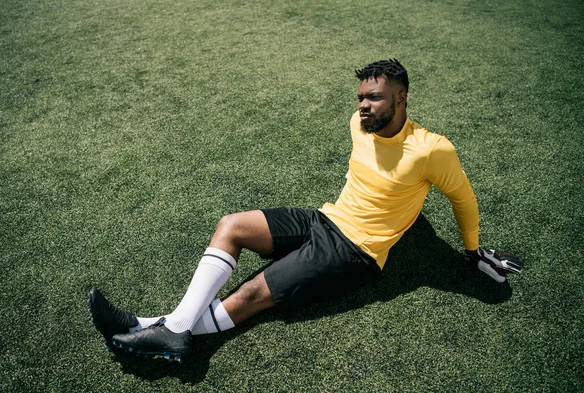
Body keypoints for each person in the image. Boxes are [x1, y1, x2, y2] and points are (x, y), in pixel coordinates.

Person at [88, 59, 523, 362]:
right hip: (324, 219)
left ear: (401, 99)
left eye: (374, 98)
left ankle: (152, 328)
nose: (362, 106)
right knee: (232, 226)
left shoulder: (431, 150)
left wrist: (472, 251)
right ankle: (170, 329)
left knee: (252, 293)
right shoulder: (359, 124)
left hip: (356, 252)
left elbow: (462, 199)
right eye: (360, 97)